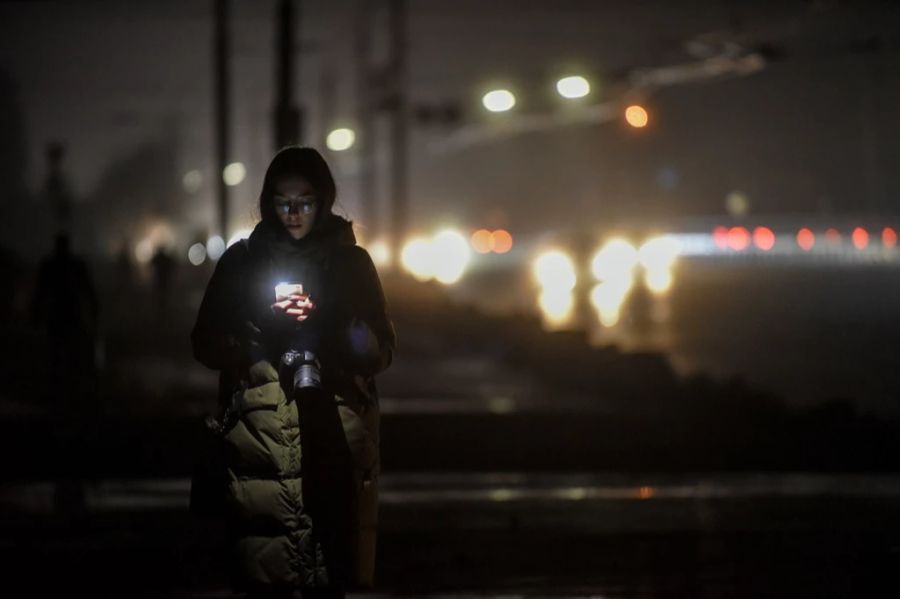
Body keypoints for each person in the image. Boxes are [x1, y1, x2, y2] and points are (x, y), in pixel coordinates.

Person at [191, 146, 396, 598]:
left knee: (331, 575)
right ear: (268, 202)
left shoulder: (352, 266)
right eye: (283, 202)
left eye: (305, 201)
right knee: (269, 580)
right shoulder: (241, 263)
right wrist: (256, 333)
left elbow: (380, 350)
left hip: (336, 441)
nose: (294, 213)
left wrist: (335, 326)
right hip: (259, 449)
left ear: (324, 200)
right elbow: (204, 342)